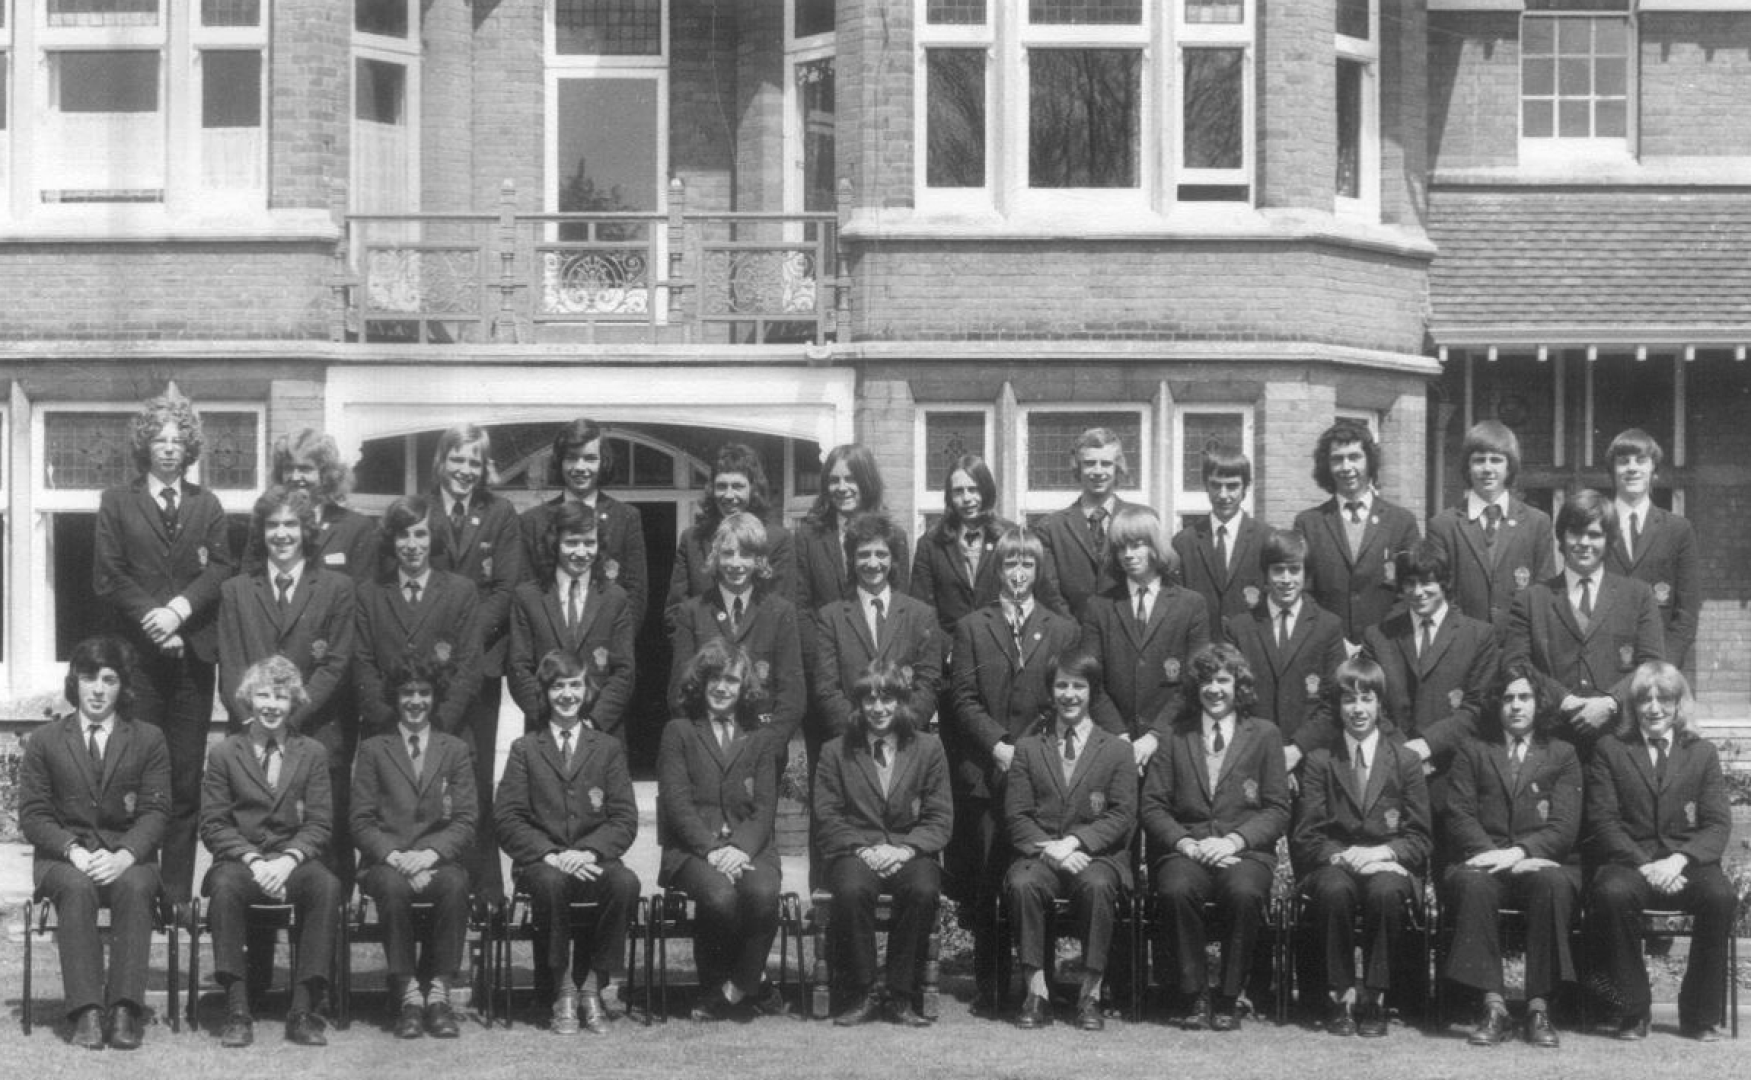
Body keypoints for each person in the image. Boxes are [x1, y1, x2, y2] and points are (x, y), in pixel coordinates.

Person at [92, 392, 235, 903]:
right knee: (139, 778)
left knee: (184, 780)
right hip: (140, 663)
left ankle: (175, 899)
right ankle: (140, 889)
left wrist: (180, 610)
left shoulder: (207, 504)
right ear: (145, 446)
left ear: (189, 447)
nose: (169, 448)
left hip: (192, 663)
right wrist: (155, 618)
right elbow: (108, 575)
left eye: (178, 440)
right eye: (159, 439)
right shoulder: (117, 502)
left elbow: (221, 569)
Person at [945, 527, 1081, 1014]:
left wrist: (1028, 754)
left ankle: (1037, 984)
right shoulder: (971, 627)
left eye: (1027, 564)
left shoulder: (1061, 629)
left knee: (1034, 878)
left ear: (1038, 570)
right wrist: (998, 746)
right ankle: (991, 985)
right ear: (997, 570)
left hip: (1041, 774)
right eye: (1010, 564)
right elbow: (963, 699)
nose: (1018, 573)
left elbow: (1064, 700)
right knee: (988, 880)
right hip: (986, 773)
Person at [19, 637, 170, 1050]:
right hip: (64, 859)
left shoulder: (148, 738)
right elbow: (33, 814)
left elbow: (156, 812)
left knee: (136, 886)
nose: (98, 690)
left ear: (123, 686)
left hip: (128, 857)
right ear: (75, 683)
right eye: (89, 679)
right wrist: (73, 850)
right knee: (76, 887)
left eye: (109, 679)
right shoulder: (46, 740)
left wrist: (125, 855)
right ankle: (86, 1011)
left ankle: (123, 1010)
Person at [1140, 643, 1289, 1032]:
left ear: (1239, 685)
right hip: (1186, 850)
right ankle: (1195, 995)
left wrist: (1234, 842)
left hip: (1244, 853)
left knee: (1244, 892)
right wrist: (1187, 844)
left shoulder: (1265, 735)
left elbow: (1277, 809)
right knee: (1175, 890)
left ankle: (1229, 994)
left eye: (1223, 680)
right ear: (1195, 687)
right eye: (1206, 680)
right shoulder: (1173, 735)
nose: (1214, 689)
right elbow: (1153, 806)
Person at [198, 656, 343, 1048]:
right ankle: (237, 1009)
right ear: (249, 699)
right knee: (224, 888)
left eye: (281, 697)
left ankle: (302, 1010)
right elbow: (213, 824)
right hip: (240, 862)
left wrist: (288, 860)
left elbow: (320, 823)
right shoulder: (224, 753)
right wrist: (253, 860)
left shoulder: (312, 752)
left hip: (293, 861)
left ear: (293, 702)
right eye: (263, 695)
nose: (271, 705)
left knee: (327, 886)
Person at [1584, 661, 1733, 1042]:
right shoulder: (1611, 749)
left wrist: (1678, 860)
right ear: (1633, 706)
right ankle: (1633, 1011)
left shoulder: (1701, 753)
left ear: (1678, 704)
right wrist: (1646, 865)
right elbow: (1604, 822)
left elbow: (1717, 824)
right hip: (1630, 862)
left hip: (1685, 863)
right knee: (1612, 893)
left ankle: (1699, 1015)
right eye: (1644, 700)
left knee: (1719, 896)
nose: (1653, 708)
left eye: (1663, 699)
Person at [494, 650, 641, 1036]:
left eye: (574, 685)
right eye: (558, 686)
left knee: (625, 883)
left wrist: (589, 852)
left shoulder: (607, 748)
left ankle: (591, 986)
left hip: (593, 860)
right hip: (544, 864)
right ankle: (563, 990)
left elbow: (624, 818)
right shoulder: (525, 749)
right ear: (545, 693)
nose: (567, 695)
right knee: (550, 883)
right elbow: (507, 818)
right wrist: (551, 854)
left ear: (586, 690)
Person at [217, 485, 358, 885]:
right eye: (273, 525)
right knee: (253, 854)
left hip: (315, 732)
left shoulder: (336, 588)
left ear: (306, 530)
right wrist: (259, 723)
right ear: (261, 531)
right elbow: (231, 667)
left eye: (291, 525)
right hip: (252, 738)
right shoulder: (236, 591)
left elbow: (334, 665)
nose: (281, 534)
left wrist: (288, 719)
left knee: (322, 860)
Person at [1441, 661, 1582, 1049]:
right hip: (1483, 861)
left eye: (1524, 697)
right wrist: (1495, 856)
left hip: (1539, 862)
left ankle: (1538, 1008)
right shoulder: (1473, 750)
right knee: (1473, 885)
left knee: (1553, 884)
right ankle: (1494, 1007)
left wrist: (1520, 853)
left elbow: (1564, 826)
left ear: (1539, 702)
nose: (1516, 705)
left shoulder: (1562, 753)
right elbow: (1459, 815)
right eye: (1507, 698)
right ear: (1496, 704)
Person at [1290, 657, 1432, 1038]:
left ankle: (1376, 997)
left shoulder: (1406, 760)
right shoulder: (1320, 761)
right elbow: (1307, 836)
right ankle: (1341, 996)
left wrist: (1382, 854)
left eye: (1366, 699)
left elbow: (1420, 837)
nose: (1357, 709)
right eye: (1349, 700)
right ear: (1337, 707)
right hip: (1335, 863)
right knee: (1334, 890)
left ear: (1379, 704)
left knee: (1386, 892)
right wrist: (1345, 857)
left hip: (1387, 864)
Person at [813, 660, 954, 1027]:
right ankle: (862, 992)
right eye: (869, 699)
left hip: (910, 850)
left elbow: (939, 817)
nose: (878, 708)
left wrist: (905, 850)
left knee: (923, 889)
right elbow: (827, 816)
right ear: (858, 704)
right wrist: (863, 849)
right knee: (852, 889)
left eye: (887, 698)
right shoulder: (835, 751)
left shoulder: (928, 748)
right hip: (856, 851)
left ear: (901, 702)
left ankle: (900, 994)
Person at [1003, 651, 1137, 1031]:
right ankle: (1036, 993)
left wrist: (1076, 842)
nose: (1070, 694)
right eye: (1062, 685)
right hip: (1041, 857)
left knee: (1098, 887)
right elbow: (1017, 816)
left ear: (1092, 691)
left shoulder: (1117, 750)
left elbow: (1122, 814)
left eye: (1079, 686)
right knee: (1022, 884)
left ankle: (1090, 995)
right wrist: (1053, 851)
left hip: (1095, 858)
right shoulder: (1028, 748)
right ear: (1051, 691)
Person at [350, 653, 478, 1040]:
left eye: (424, 692)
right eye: (407, 693)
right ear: (395, 697)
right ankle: (407, 994)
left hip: (437, 859)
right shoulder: (374, 749)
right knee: (391, 887)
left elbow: (466, 819)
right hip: (386, 861)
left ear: (435, 697)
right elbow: (360, 820)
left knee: (455, 884)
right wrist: (397, 858)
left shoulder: (454, 749)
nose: (416, 701)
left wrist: (429, 856)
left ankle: (438, 993)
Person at [656, 639, 785, 1022]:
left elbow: (765, 807)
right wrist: (712, 850)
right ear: (701, 682)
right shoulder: (678, 732)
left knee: (763, 893)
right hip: (693, 850)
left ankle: (733, 989)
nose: (722, 688)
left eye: (731, 680)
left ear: (744, 687)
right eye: (715, 678)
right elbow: (677, 805)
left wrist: (740, 849)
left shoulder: (760, 737)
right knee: (719, 896)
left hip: (750, 848)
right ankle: (753, 980)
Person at [426, 423, 524, 901]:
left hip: (480, 667)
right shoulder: (421, 510)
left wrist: (461, 645)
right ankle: (434, 886)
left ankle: (487, 894)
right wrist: (435, 649)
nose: (465, 470)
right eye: (457, 459)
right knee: (429, 775)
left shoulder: (500, 513)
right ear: (441, 461)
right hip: (427, 671)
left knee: (477, 775)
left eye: (474, 461)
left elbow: (504, 589)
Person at [1503, 489, 1664, 751]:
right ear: (1561, 538)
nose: (1584, 542)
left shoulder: (1638, 596)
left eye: (1594, 534)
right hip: (1551, 743)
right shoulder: (1532, 599)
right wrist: (1564, 700)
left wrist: (1611, 703)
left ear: (1609, 540)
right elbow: (1516, 664)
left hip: (1619, 742)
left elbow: (1653, 665)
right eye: (1575, 533)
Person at [1359, 541, 1498, 804]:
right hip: (1392, 776)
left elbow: (1477, 709)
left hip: (1453, 778)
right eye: (1410, 583)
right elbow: (1371, 704)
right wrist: (1404, 753)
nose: (1418, 592)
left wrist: (1427, 745)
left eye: (1427, 583)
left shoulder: (1479, 636)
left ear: (1444, 583)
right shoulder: (1378, 636)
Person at [1078, 505, 1209, 770]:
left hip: (1173, 742)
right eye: (1121, 547)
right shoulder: (1099, 606)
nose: (1128, 555)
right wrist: (1120, 737)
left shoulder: (1190, 605)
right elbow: (1091, 680)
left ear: (1155, 546)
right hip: (1115, 745)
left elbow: (1195, 679)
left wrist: (1155, 735)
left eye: (1137, 545)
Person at [812, 511, 943, 760]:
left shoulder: (920, 615)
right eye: (864, 554)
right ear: (851, 559)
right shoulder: (831, 617)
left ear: (893, 559)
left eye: (881, 554)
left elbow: (929, 684)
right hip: (853, 748)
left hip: (906, 747)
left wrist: (898, 733)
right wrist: (862, 737)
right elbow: (827, 689)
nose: (873, 564)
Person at [667, 512, 805, 747]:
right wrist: (702, 747)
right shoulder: (692, 612)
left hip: (763, 746)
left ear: (759, 560)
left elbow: (792, 695)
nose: (735, 563)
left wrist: (768, 747)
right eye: (728, 553)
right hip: (705, 749)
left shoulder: (780, 612)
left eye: (746, 554)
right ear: (715, 557)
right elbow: (679, 691)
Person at [354, 495, 483, 740]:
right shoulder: (369, 594)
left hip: (446, 733)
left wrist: (437, 727)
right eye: (403, 535)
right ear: (392, 539)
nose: (412, 545)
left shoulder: (461, 592)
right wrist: (391, 726)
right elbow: (363, 667)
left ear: (433, 537)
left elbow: (469, 669)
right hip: (386, 733)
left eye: (421, 534)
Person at [508, 502, 636, 740]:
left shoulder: (615, 598)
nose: (581, 552)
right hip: (544, 731)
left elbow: (624, 671)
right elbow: (519, 667)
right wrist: (552, 720)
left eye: (589, 543)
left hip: (601, 733)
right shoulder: (528, 597)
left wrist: (593, 723)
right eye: (572, 542)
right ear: (555, 543)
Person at [1223, 529, 1347, 773]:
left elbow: (1335, 699)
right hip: (1253, 758)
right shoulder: (1240, 628)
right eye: (1278, 570)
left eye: (1294, 569)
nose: (1286, 579)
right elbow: (1232, 699)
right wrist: (1263, 750)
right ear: (1266, 574)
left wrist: (1298, 748)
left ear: (1306, 573)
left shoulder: (1328, 626)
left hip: (1310, 759)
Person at [1293, 420, 1421, 646]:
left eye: (1354, 457)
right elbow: (1304, 592)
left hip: (1388, 645)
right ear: (1326, 466)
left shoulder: (1402, 522)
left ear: (1370, 461)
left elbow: (1410, 590)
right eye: (1337, 459)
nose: (1346, 467)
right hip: (1327, 647)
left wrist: (1377, 641)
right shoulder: (1308, 523)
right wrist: (1334, 639)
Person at [912, 454, 1065, 637]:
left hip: (1003, 644)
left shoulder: (1012, 537)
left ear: (986, 491)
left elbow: (1043, 594)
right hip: (950, 647)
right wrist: (947, 648)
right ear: (949, 496)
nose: (967, 498)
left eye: (973, 490)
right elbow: (922, 611)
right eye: (958, 491)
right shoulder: (931, 543)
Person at [518, 418, 649, 633]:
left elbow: (635, 594)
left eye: (590, 458)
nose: (580, 467)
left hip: (607, 646)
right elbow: (526, 596)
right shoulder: (533, 521)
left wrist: (614, 646)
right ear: (560, 462)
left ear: (603, 462)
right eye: (571, 458)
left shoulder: (626, 518)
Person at [1425, 420, 1554, 636]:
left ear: (1509, 466)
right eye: (1478, 460)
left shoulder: (1537, 523)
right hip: (1463, 643)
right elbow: (1439, 593)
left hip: (1519, 644)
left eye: (1496, 460)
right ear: (1467, 467)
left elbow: (1543, 592)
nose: (1487, 469)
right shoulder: (1443, 525)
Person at [666, 443, 796, 623]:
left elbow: (781, 613)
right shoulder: (692, 539)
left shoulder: (778, 540)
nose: (728, 495)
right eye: (721, 486)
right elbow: (676, 612)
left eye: (737, 486)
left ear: (753, 489)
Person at [1605, 429, 1700, 673]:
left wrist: (1661, 668)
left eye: (1641, 460)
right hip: (1603, 668)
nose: (1632, 468)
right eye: (1623, 461)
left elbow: (1686, 613)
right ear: (1612, 471)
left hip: (1660, 670)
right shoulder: (1595, 527)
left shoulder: (1678, 530)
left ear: (1654, 471)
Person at [795, 443, 911, 627]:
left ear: (867, 482)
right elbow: (802, 608)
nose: (842, 488)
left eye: (851, 479)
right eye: (834, 480)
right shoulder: (809, 537)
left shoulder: (894, 536)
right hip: (825, 642)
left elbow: (899, 603)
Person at [1035, 427, 1142, 620]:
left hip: (1130, 632)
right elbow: (1050, 593)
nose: (1098, 471)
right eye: (1090, 463)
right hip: (1073, 631)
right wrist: (1073, 632)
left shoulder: (1141, 518)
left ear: (1117, 468)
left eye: (1106, 463)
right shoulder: (1051, 527)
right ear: (1078, 468)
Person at [247, 428, 379, 583]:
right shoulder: (266, 523)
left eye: (305, 469)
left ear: (326, 475)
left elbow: (362, 591)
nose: (295, 477)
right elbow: (248, 583)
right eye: (288, 468)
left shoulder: (356, 527)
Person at [1172, 448, 1269, 631]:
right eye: (1216, 485)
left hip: (1250, 644)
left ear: (1246, 487)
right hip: (1201, 644)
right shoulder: (1184, 542)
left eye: (1232, 486)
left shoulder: (1266, 538)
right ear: (1206, 486)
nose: (1223, 495)